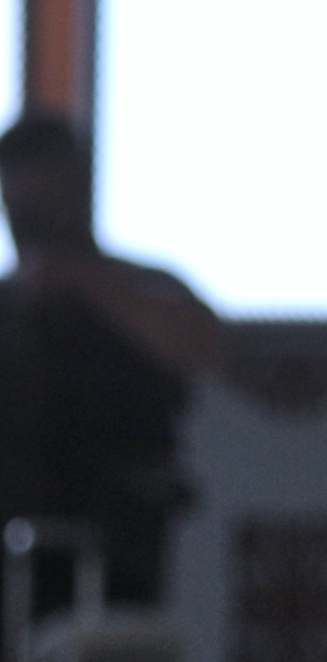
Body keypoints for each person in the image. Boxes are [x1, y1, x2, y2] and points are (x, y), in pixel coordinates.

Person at [0, 112, 222, 606]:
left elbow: (200, 344)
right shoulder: (8, 308)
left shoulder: (141, 288)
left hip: (116, 548)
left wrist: (80, 280)